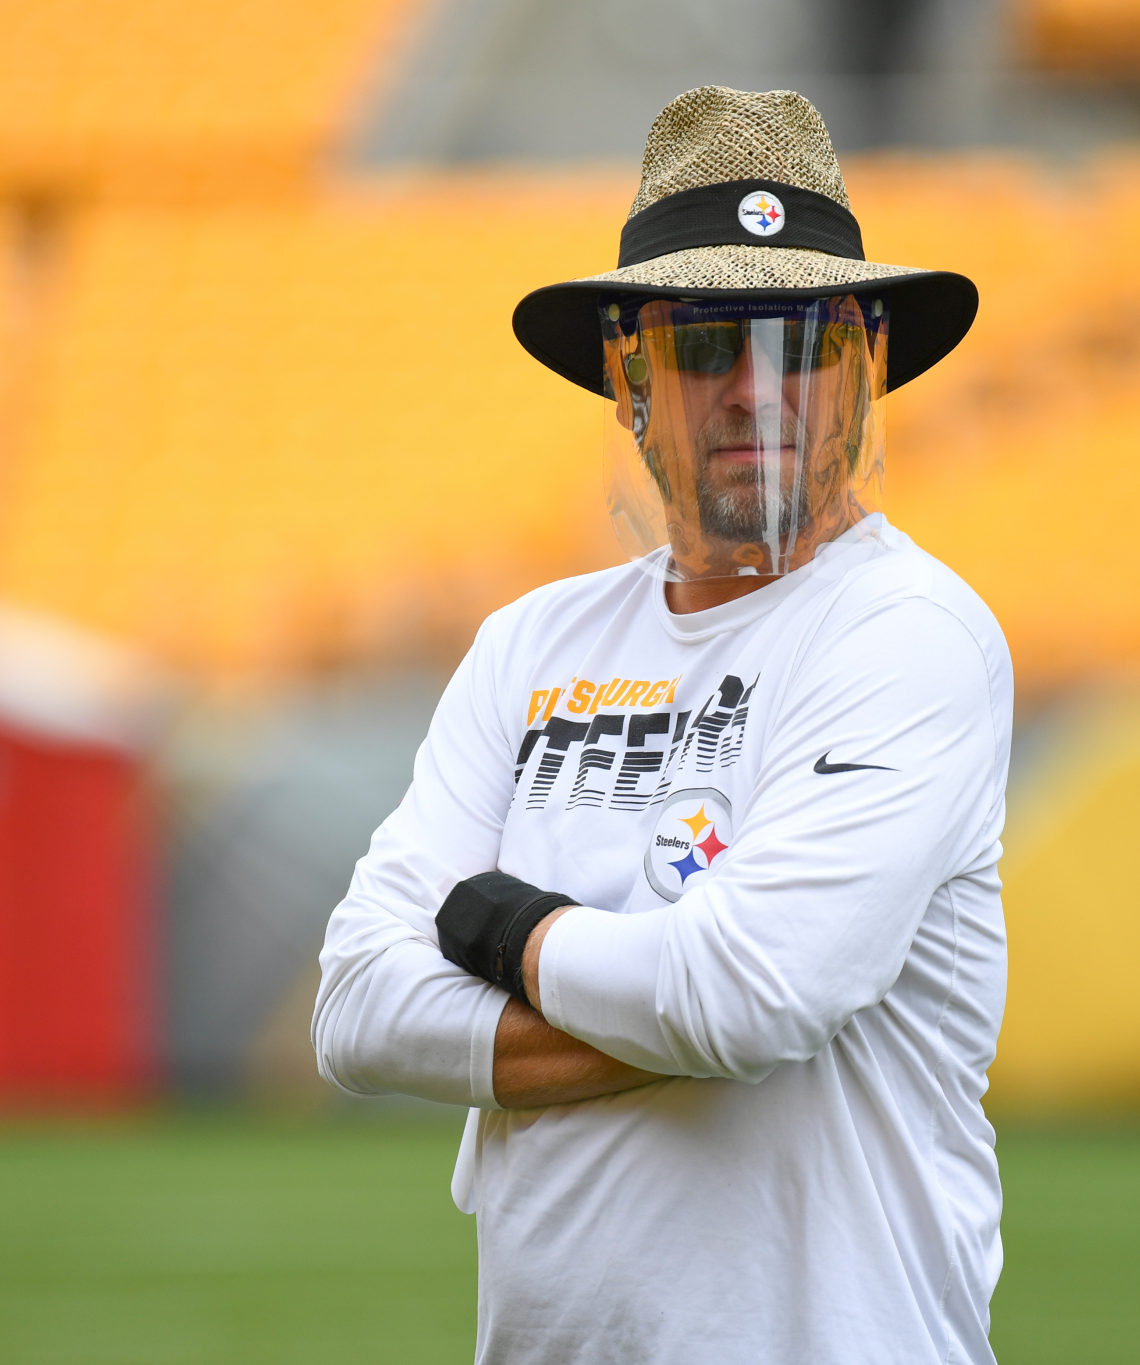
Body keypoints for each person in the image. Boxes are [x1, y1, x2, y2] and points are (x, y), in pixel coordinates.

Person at [313, 85, 1011, 1365]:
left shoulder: (908, 634)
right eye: (705, 347)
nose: (758, 393)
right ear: (627, 378)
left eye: (800, 344)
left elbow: (746, 997)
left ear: (865, 368)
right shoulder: (530, 645)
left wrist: (502, 928)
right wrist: (664, 1000)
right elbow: (358, 1005)